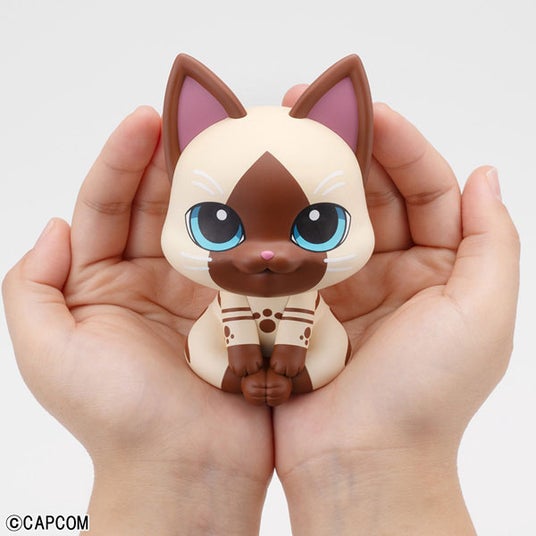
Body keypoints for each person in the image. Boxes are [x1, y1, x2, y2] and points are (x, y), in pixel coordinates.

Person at [2, 84, 519, 535]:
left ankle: (294, 368)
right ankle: (235, 374)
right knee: (208, 347)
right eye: (219, 226)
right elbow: (228, 317)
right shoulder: (226, 292)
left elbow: (305, 317)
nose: (267, 255)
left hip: (311, 338)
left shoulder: (308, 292)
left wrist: (381, 441)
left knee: (326, 345)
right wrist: (227, 374)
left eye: (317, 226)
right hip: (225, 340)